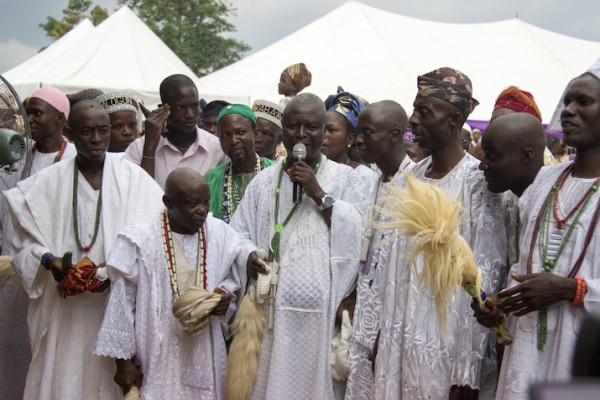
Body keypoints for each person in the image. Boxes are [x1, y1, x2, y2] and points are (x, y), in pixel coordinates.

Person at [3, 100, 165, 400]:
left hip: (115, 308)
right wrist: (49, 261)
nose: (96, 139)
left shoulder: (133, 178)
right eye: (87, 131)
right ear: (71, 132)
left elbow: (155, 237)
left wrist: (113, 268)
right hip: (64, 311)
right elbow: (19, 243)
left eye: (103, 131)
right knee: (64, 382)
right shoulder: (46, 182)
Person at [373, 67, 505, 399]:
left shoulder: (478, 183)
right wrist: (377, 335)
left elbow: (483, 277)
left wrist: (468, 370)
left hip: (444, 348)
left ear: (453, 119)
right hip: (399, 338)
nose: (413, 119)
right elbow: (387, 267)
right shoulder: (407, 179)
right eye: (413, 109)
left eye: (424, 111)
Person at [230, 93, 372, 399]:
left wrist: (318, 193)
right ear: (283, 130)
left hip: (322, 315)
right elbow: (237, 234)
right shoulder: (263, 181)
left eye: (311, 127)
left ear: (324, 130)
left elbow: (362, 239)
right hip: (271, 313)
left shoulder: (348, 179)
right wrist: (248, 256)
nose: (302, 134)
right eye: (293, 126)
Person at [490, 67, 600, 400]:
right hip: (524, 355)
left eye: (583, 101)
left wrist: (572, 289)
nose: (568, 110)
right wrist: (500, 305)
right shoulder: (543, 183)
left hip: (582, 360)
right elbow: (524, 264)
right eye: (566, 101)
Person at [95, 168, 247, 400]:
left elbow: (232, 279)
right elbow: (122, 304)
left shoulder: (219, 233)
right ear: (169, 202)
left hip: (205, 351)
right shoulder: (141, 240)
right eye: (193, 204)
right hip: (159, 354)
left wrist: (223, 296)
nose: (202, 210)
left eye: (206, 203)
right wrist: (123, 361)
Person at [345, 100, 412, 399]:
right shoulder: (375, 180)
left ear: (395, 135)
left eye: (367, 132)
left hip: (397, 326)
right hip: (366, 316)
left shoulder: (417, 184)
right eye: (358, 132)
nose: (358, 140)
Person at [125, 74, 225, 189]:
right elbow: (139, 195)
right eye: (180, 107)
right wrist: (150, 147)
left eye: (194, 105)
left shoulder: (217, 148)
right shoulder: (138, 148)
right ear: (163, 108)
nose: (190, 114)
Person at [204, 104, 275, 223]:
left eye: (240, 132)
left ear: (255, 133)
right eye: (226, 135)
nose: (233, 140)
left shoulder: (275, 172)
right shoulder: (211, 179)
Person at [26, 87, 76, 174]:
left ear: (60, 118)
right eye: (27, 114)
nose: (29, 119)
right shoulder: (19, 153)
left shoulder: (74, 157)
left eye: (37, 113)